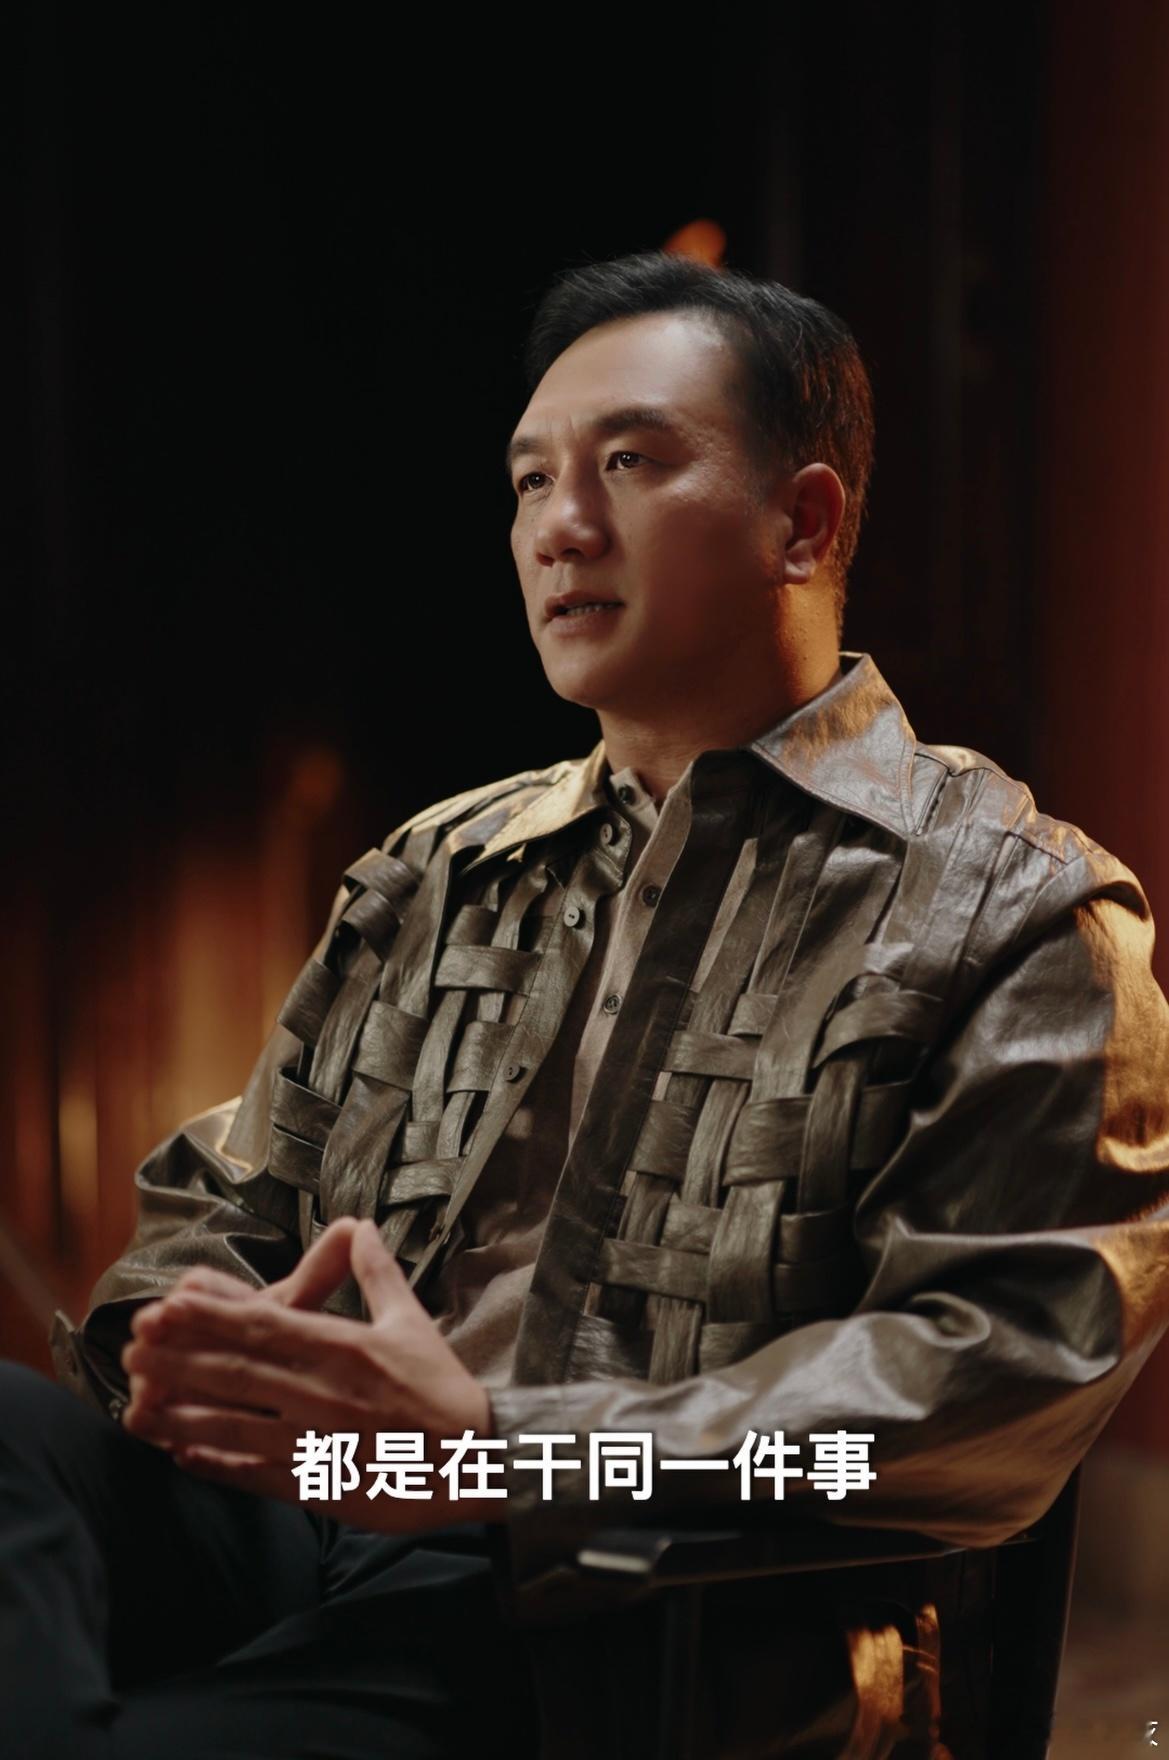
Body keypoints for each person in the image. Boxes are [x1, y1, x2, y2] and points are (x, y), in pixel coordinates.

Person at [6, 248, 1169, 1759]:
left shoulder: (1019, 910)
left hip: (634, 1619)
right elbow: (229, 1196)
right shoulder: (439, 867)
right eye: (529, 479)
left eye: (629, 463)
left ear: (803, 521)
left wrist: (501, 1452)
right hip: (321, 1517)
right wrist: (195, 1343)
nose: (559, 526)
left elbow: (988, 1380)